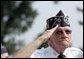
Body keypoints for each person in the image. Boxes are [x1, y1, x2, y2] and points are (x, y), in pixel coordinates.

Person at [13, 10, 83, 58]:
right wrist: (41, 38)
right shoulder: (40, 55)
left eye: (68, 31)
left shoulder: (77, 54)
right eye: (59, 32)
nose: (64, 35)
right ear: (49, 38)